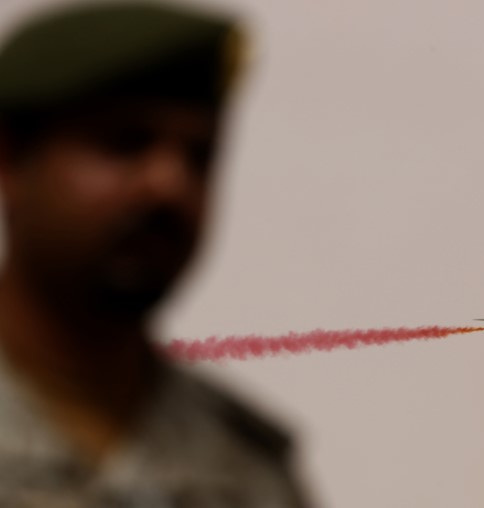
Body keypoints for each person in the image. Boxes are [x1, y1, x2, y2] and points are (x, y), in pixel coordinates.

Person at [0, 2, 310, 506]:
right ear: (10, 159)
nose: (169, 185)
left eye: (199, 156)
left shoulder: (243, 467)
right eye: (124, 143)